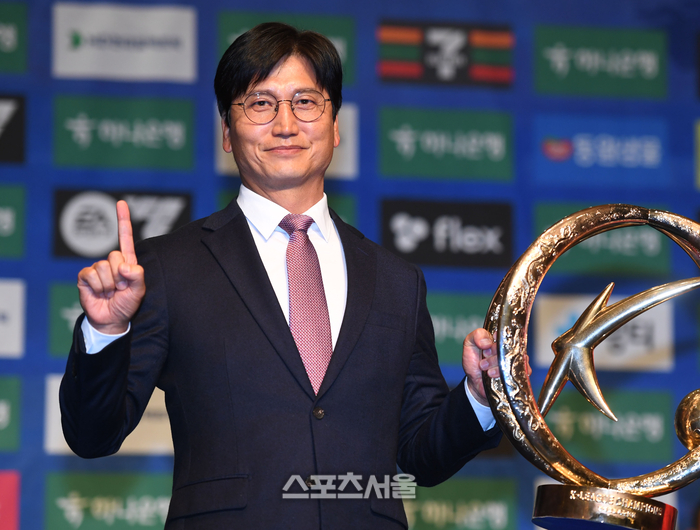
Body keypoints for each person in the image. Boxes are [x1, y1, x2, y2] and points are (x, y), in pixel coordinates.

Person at [60, 22, 504, 529]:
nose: (286, 124)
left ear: (335, 125)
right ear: (227, 132)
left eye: (306, 102)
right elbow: (92, 436)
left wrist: (479, 396)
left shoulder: (397, 281)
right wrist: (106, 330)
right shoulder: (168, 267)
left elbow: (423, 456)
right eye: (260, 103)